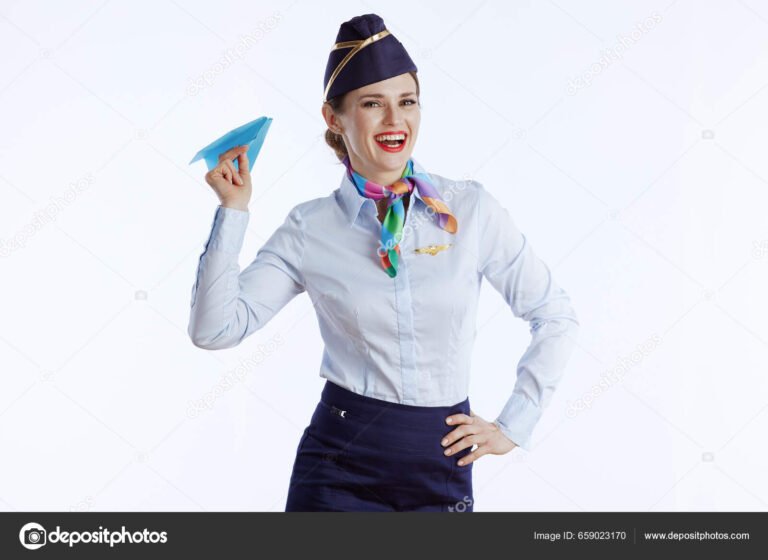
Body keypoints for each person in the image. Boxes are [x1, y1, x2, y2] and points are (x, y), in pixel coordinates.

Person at [187, 13, 579, 512]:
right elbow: (215, 330)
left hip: (442, 463)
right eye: (373, 104)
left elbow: (554, 314)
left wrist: (514, 424)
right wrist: (233, 211)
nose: (396, 121)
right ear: (335, 118)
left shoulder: (471, 210)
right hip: (337, 466)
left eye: (407, 102)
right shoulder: (310, 228)